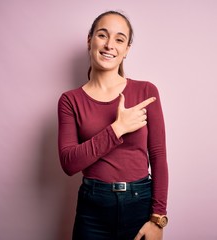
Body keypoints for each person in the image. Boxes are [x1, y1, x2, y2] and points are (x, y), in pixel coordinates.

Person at [58, 10, 168, 240]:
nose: (110, 45)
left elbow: (158, 156)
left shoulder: (146, 91)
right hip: (93, 208)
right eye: (102, 35)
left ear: (127, 49)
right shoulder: (70, 100)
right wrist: (118, 128)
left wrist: (158, 218)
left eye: (119, 39)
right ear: (90, 40)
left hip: (140, 203)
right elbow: (69, 163)